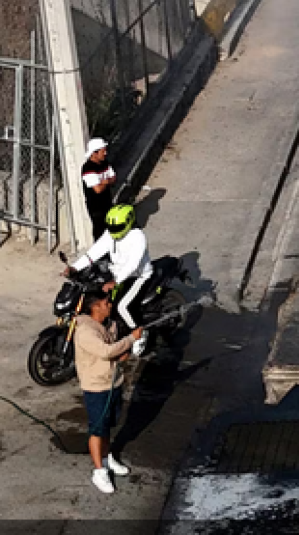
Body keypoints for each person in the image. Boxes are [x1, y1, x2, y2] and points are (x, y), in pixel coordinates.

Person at [74, 291, 141, 494]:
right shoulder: (85, 331)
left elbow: (111, 350)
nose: (109, 305)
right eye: (106, 303)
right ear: (95, 307)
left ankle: (106, 456)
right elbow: (104, 351)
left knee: (109, 424)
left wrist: (121, 355)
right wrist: (130, 339)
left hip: (112, 383)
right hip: (96, 388)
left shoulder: (108, 324)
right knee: (97, 429)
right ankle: (99, 470)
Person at [68, 204, 155, 355]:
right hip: (116, 273)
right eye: (111, 227)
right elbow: (94, 253)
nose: (113, 231)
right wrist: (75, 267)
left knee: (123, 307)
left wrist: (115, 281)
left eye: (118, 227)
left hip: (138, 276)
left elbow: (132, 264)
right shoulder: (110, 233)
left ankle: (139, 334)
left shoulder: (137, 236)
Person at [80, 138, 117, 239]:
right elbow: (98, 190)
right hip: (96, 207)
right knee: (100, 231)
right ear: (94, 153)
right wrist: (106, 181)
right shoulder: (88, 168)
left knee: (112, 229)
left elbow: (113, 178)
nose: (105, 153)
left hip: (107, 202)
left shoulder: (105, 163)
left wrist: (105, 182)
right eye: (103, 151)